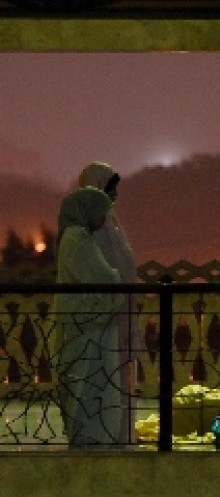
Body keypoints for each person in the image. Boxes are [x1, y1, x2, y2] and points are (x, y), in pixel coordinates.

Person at [52, 186, 125, 447]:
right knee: (86, 382)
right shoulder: (76, 239)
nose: (103, 220)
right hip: (83, 326)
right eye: (101, 212)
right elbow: (101, 276)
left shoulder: (78, 237)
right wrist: (118, 276)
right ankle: (89, 436)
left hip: (83, 324)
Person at [79, 161, 139, 444]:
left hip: (121, 313)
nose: (115, 194)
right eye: (110, 187)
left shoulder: (112, 222)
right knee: (102, 379)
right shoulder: (88, 228)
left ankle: (122, 437)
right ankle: (103, 437)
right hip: (103, 317)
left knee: (122, 377)